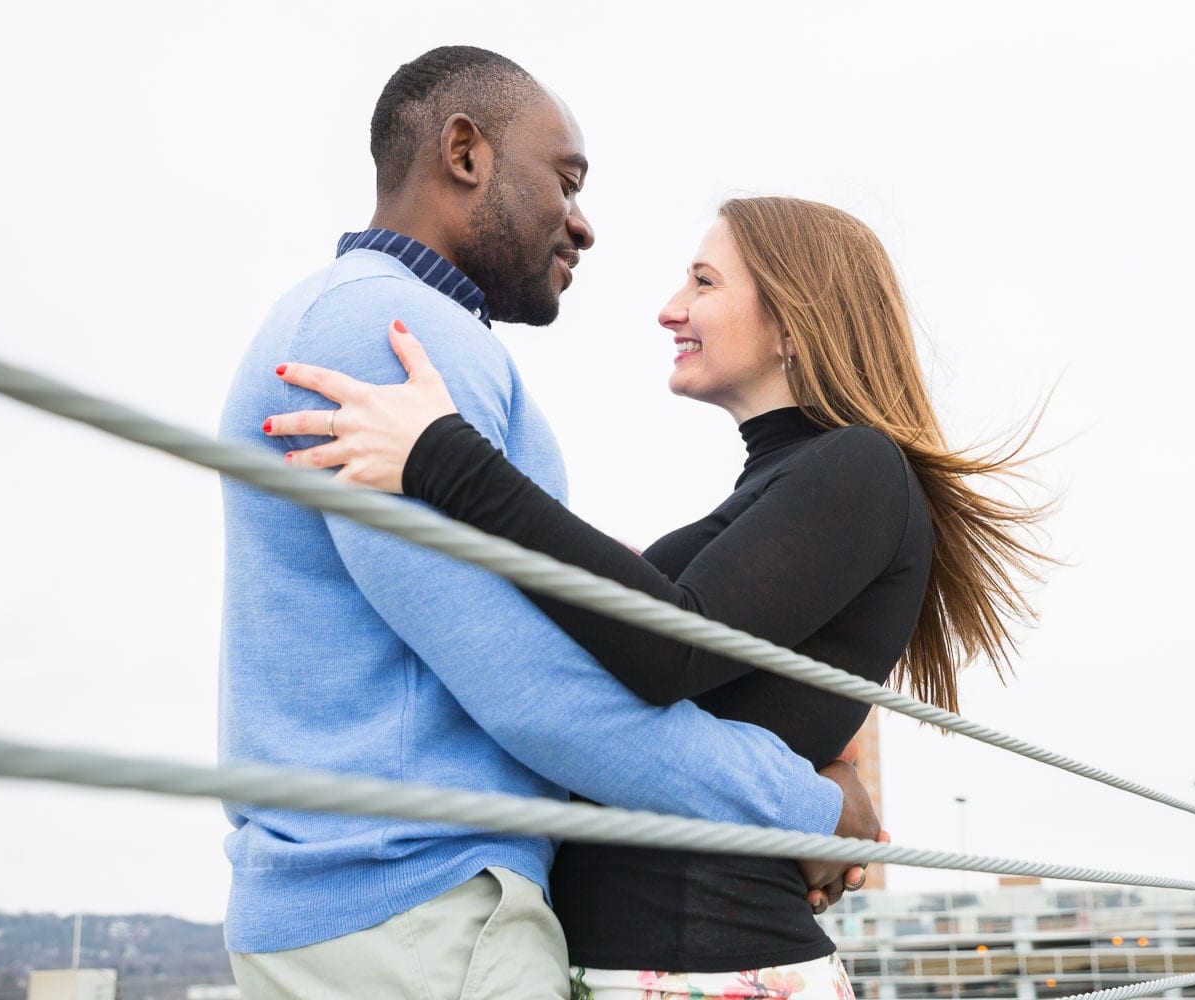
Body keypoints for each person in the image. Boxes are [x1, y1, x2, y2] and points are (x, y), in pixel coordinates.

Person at [265, 196, 1052, 998]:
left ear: (794, 324)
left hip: (709, 970)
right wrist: (820, 785)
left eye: (704, 282)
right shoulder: (785, 488)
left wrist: (450, 460)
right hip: (652, 967)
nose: (670, 308)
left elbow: (670, 646)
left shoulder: (857, 469)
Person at [218, 47, 879, 1000]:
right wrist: (805, 804)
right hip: (421, 911)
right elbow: (541, 693)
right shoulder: (386, 337)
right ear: (464, 153)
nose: (583, 224)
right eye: (565, 180)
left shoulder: (356, 320)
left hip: (382, 908)